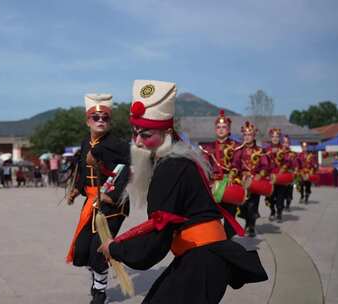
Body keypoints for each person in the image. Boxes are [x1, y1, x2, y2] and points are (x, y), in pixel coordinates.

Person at [99, 80, 267, 304]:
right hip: (203, 257)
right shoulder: (176, 160)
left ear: (166, 132)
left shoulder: (170, 168)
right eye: (135, 132)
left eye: (146, 134)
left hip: (203, 260)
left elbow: (157, 240)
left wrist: (116, 249)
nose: (137, 141)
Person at [66, 93, 130, 304]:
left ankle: (100, 292)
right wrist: (76, 189)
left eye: (105, 118)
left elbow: (125, 169)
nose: (101, 120)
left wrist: (111, 195)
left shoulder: (117, 144)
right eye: (96, 117)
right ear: (88, 121)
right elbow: (82, 169)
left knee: (99, 249)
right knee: (83, 248)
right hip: (91, 201)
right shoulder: (86, 142)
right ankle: (97, 282)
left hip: (112, 205)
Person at [199, 110, 243, 239]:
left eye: (224, 127)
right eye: (218, 127)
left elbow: (237, 163)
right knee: (212, 216)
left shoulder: (236, 146)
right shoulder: (208, 147)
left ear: (229, 129)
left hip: (229, 184)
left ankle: (228, 240)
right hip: (214, 186)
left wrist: (232, 175)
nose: (221, 130)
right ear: (215, 129)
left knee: (230, 216)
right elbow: (204, 165)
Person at [232, 121, 271, 230]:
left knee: (252, 205)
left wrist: (260, 174)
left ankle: (251, 226)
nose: (247, 137)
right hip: (242, 181)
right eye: (245, 135)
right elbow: (235, 164)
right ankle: (247, 222)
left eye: (249, 135)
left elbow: (265, 165)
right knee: (243, 205)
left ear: (254, 136)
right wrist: (236, 173)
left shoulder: (260, 151)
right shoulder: (239, 150)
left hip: (254, 181)